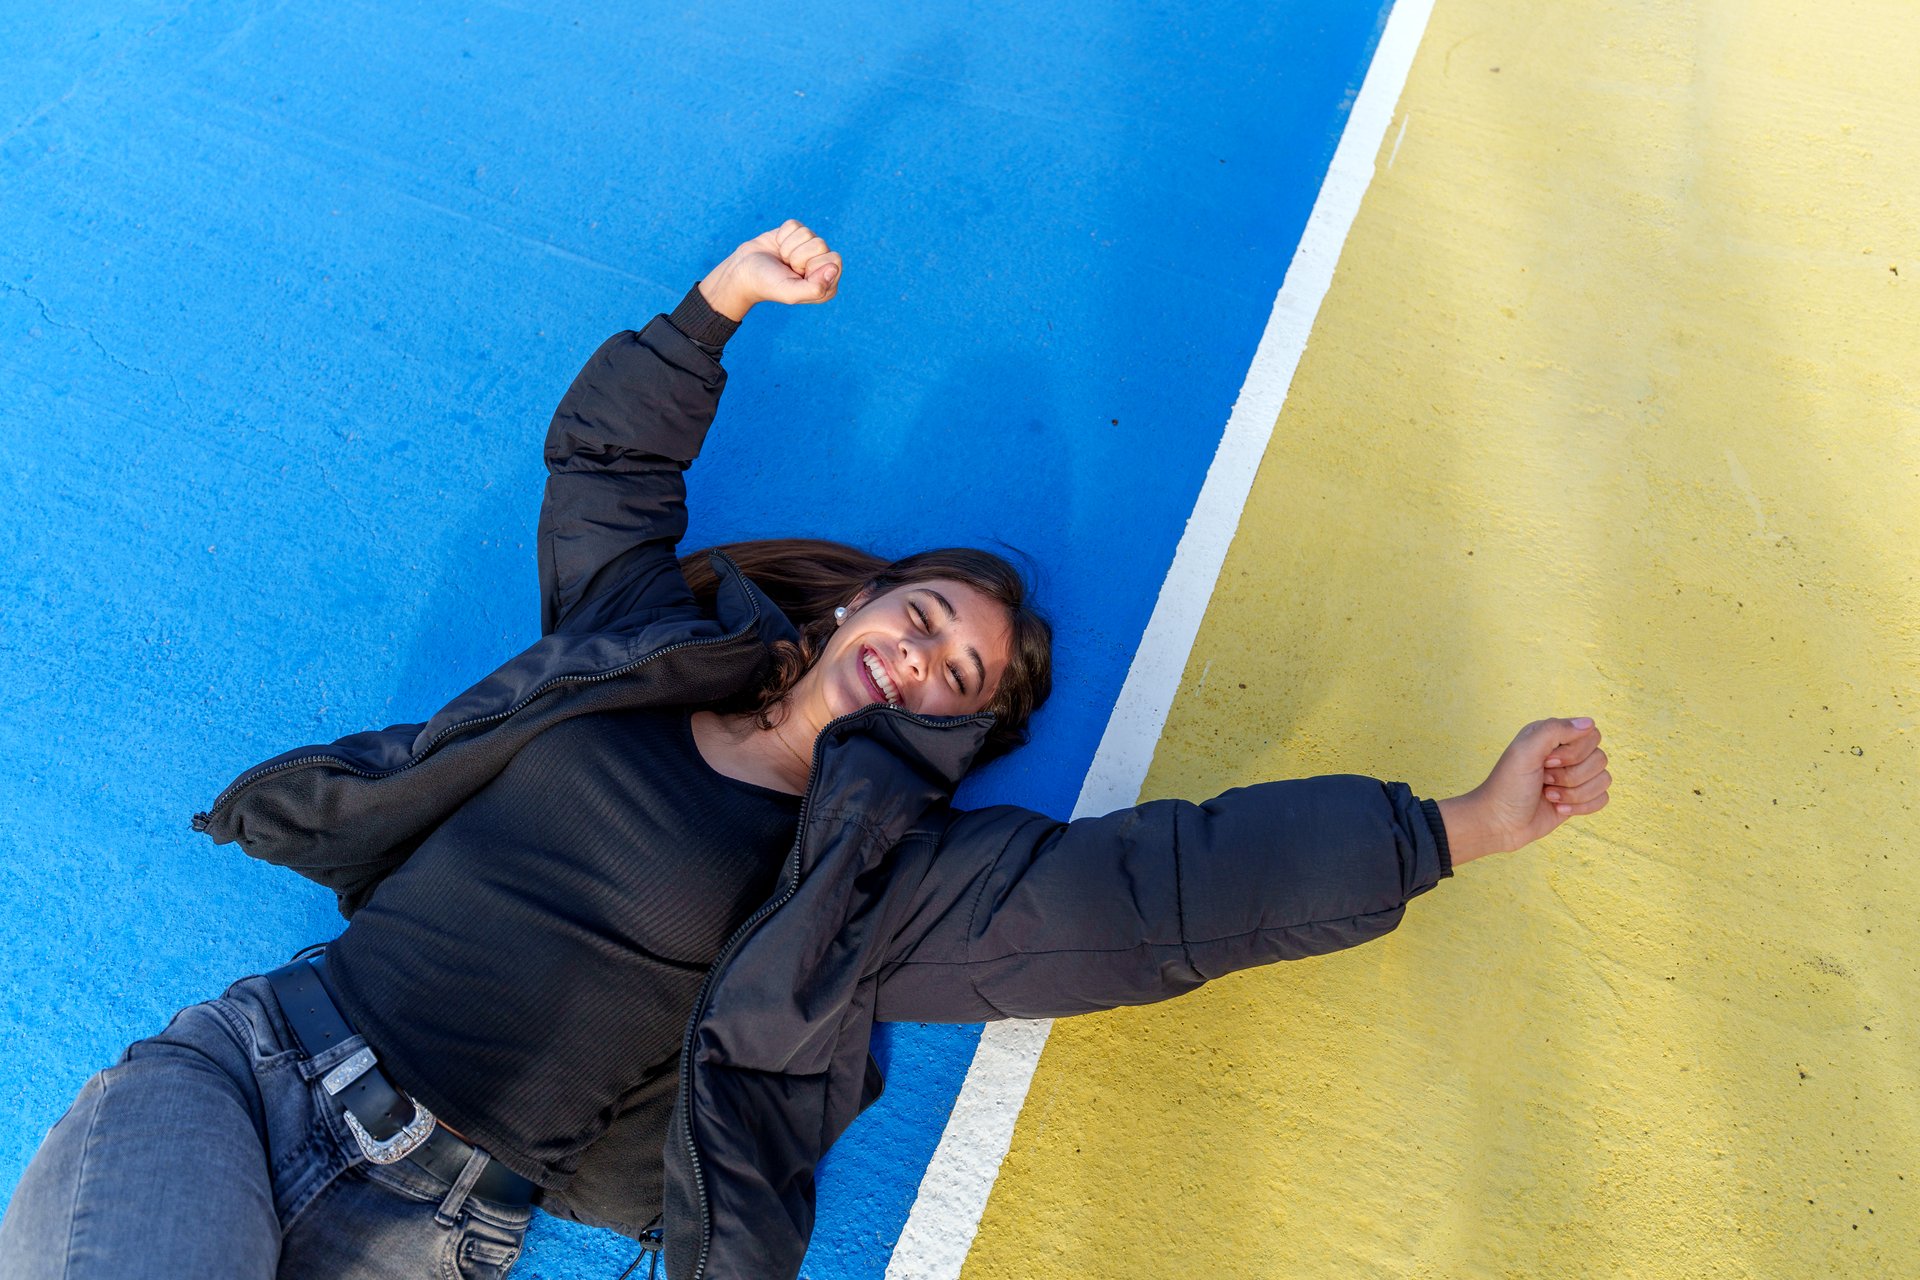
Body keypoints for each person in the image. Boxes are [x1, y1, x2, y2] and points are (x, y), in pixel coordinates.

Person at [0, 221, 1611, 1280]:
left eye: (959, 673)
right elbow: (609, 469)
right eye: (916, 613)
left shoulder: (877, 884)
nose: (920, 649)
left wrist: (1447, 830)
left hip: (432, 1220)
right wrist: (711, 312)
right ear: (850, 612)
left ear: (955, 729)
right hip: (253, 1068)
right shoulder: (638, 644)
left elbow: (1153, 900)